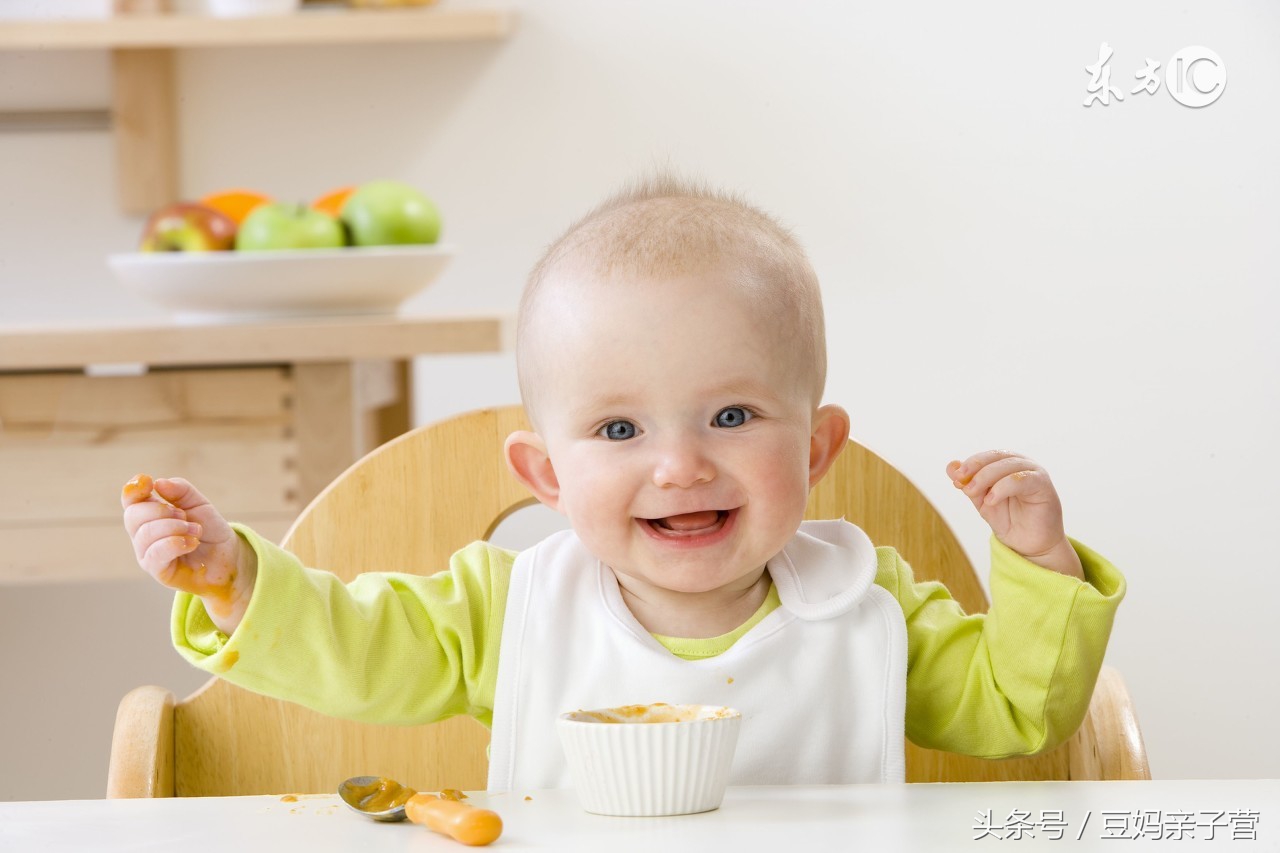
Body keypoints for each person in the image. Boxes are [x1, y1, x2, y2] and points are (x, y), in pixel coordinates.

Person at [121, 174, 1124, 789]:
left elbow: (1015, 708)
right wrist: (235, 582)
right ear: (546, 475)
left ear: (816, 450)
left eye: (731, 416)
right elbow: (355, 646)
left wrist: (1035, 563)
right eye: (616, 428)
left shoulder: (867, 609)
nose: (679, 464)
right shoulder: (508, 612)